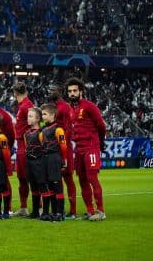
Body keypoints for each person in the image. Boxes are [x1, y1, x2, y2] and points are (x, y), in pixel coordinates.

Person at [66, 77, 107, 221]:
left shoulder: (89, 106)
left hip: (91, 146)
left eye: (75, 91)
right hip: (79, 149)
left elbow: (101, 126)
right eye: (70, 91)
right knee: (82, 179)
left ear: (81, 92)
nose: (72, 93)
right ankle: (90, 211)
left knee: (92, 178)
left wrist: (100, 143)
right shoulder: (71, 109)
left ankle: (100, 211)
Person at [49, 83, 78, 219]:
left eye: (53, 89)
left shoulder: (65, 107)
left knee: (68, 178)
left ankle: (72, 211)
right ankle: (57, 210)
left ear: (60, 91)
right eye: (50, 89)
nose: (50, 91)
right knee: (55, 180)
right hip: (53, 150)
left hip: (63, 148)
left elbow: (69, 128)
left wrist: (62, 145)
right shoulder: (52, 107)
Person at [40, 104, 67, 222]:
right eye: (42, 114)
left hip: (54, 158)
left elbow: (63, 146)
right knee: (49, 186)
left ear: (53, 115)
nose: (42, 116)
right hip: (46, 159)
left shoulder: (58, 129)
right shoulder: (43, 130)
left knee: (57, 186)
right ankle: (54, 212)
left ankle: (60, 213)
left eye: (45, 114)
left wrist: (63, 160)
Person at [11, 82, 34, 217]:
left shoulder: (27, 106)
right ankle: (23, 207)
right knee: (21, 177)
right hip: (21, 145)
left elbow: (35, 123)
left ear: (15, 93)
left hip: (26, 145)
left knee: (31, 177)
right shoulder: (23, 106)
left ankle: (39, 207)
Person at [24, 107, 46, 220]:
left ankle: (45, 211)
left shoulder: (41, 133)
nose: (28, 118)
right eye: (28, 116)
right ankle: (35, 211)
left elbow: (44, 148)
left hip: (39, 162)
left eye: (31, 116)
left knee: (42, 186)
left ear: (38, 119)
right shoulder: (26, 133)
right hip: (30, 163)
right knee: (33, 187)